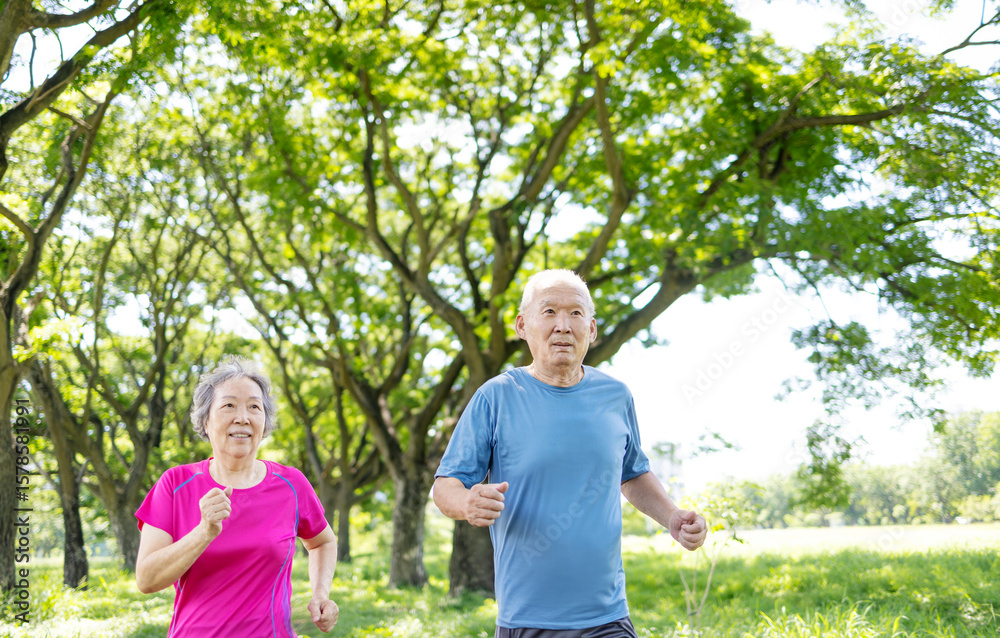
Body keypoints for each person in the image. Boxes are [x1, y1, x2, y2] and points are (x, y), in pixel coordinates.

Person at [433, 269, 708, 638]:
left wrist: (671, 515)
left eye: (576, 314)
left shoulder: (616, 396)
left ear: (591, 330)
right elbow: (445, 486)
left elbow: (632, 474)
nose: (563, 325)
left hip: (608, 618)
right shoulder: (495, 397)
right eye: (549, 312)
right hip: (527, 621)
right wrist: (467, 501)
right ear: (521, 325)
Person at [135, 356, 339, 637]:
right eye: (229, 405)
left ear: (264, 424)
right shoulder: (175, 484)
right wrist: (204, 532)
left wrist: (320, 593)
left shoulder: (291, 484)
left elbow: (322, 542)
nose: (242, 417)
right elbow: (146, 579)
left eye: (254, 407)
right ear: (206, 421)